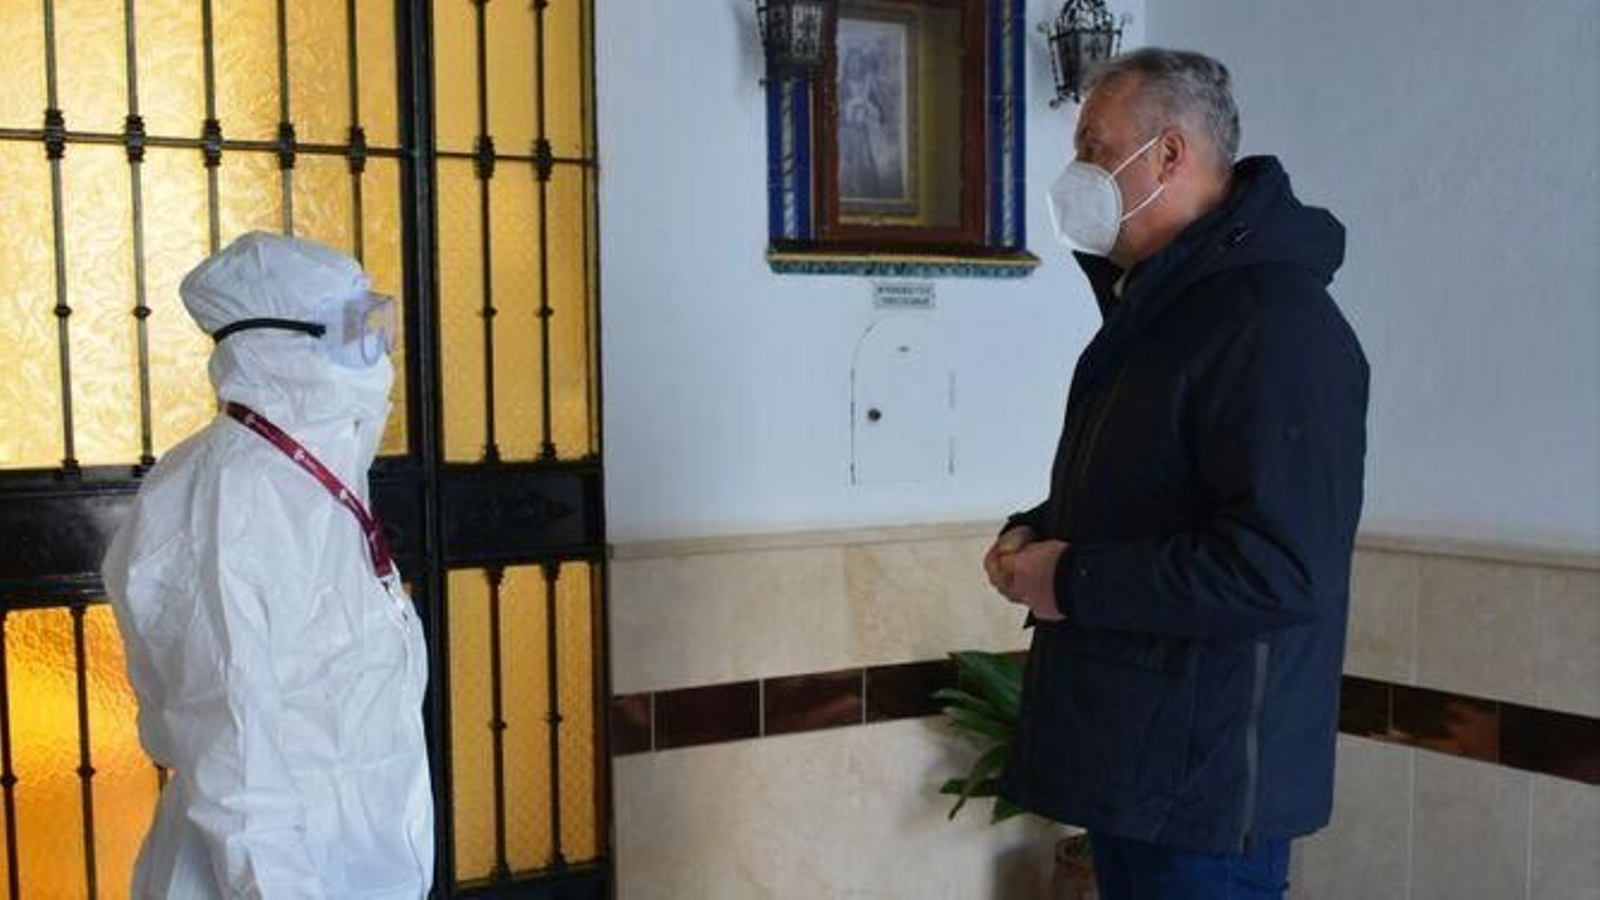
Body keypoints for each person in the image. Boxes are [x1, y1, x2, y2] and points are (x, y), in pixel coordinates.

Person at [984, 48, 1368, 899]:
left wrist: (1072, 578)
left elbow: (1277, 568)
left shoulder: (1272, 322)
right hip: (1140, 772)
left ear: (1167, 155)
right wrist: (1043, 528)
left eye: (1094, 146)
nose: (1077, 170)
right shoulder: (1167, 313)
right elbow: (1157, 486)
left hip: (1202, 790)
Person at [102, 231, 434, 898]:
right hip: (265, 880)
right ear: (285, 346)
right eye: (355, 330)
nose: (377, 355)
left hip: (351, 865)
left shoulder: (308, 480)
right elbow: (236, 761)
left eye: (378, 324)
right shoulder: (230, 497)